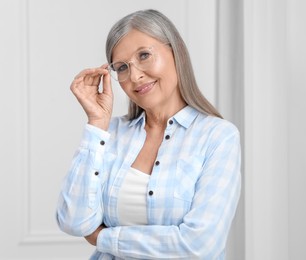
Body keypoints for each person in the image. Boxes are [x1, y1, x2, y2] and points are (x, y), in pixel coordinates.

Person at [56, 9, 241, 260]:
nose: (134, 76)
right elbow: (74, 222)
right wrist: (97, 123)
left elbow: (200, 245)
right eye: (122, 67)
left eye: (144, 55)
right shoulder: (110, 134)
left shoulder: (218, 137)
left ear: (177, 53)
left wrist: (103, 238)